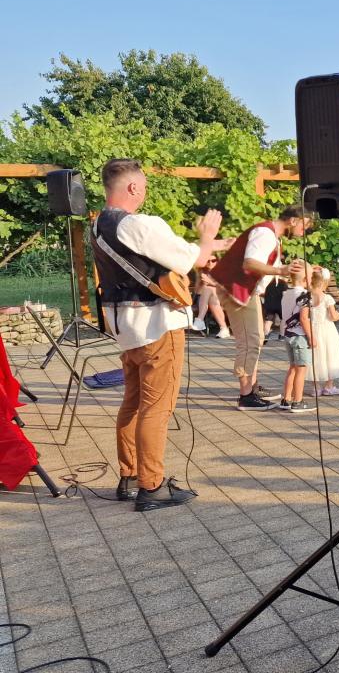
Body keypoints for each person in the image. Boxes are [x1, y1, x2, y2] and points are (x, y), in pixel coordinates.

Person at [92, 158, 225, 510]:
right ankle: (151, 486)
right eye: (145, 186)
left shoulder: (98, 224)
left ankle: (130, 475)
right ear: (133, 187)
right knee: (156, 407)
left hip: (125, 328)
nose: (145, 191)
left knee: (133, 403)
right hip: (156, 325)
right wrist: (207, 237)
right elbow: (192, 259)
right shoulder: (138, 224)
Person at [211, 205, 309, 411]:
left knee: (255, 340)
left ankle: (252, 387)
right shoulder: (265, 234)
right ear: (293, 220)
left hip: (245, 291)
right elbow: (250, 263)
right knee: (250, 342)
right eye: (304, 226)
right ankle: (246, 396)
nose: (304, 232)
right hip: (238, 290)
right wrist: (280, 270)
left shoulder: (271, 235)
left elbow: (266, 268)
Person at [307, 267, 339, 396]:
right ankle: (329, 386)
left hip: (312, 329)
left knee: (315, 357)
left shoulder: (307, 297)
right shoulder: (327, 298)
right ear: (324, 283)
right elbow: (332, 316)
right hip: (327, 330)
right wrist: (338, 315)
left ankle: (316, 388)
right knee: (330, 355)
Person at [279, 264, 315, 414]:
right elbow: (304, 319)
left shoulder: (286, 293)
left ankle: (286, 399)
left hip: (288, 335)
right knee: (301, 369)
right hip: (300, 336)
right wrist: (311, 337)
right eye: (311, 276)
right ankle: (298, 401)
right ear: (305, 279)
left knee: (292, 367)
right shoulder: (305, 296)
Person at [192, 257, 230, 338]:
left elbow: (225, 288)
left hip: (220, 299)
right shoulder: (201, 273)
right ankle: (224, 328)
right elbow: (197, 291)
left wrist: (210, 283)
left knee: (210, 291)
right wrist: (202, 283)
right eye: (208, 261)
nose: (210, 263)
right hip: (201, 300)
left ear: (217, 261)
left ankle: (199, 320)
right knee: (209, 291)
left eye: (213, 261)